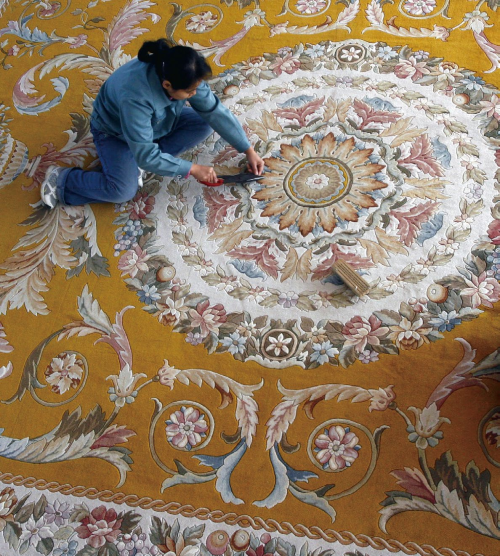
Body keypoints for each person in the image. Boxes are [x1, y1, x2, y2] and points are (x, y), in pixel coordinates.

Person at [40, 38, 264, 208]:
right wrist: (192, 169)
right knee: (122, 191)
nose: (195, 94)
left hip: (157, 122)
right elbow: (146, 154)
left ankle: (145, 162)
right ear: (167, 85)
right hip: (115, 134)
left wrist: (248, 149)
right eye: (189, 92)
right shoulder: (135, 98)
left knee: (203, 123)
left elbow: (214, 111)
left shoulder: (183, 70)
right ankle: (63, 180)